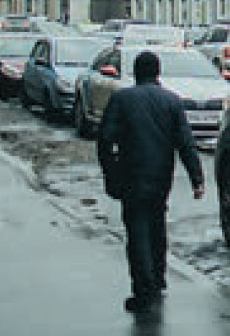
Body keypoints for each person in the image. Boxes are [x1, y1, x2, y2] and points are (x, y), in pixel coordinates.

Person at [97, 50, 205, 313]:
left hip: (131, 175)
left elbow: (105, 140)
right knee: (157, 226)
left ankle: (144, 288)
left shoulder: (122, 99)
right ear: (157, 73)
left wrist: (111, 172)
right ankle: (158, 278)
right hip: (160, 177)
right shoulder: (172, 101)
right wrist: (197, 179)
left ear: (135, 72)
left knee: (137, 232)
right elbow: (186, 143)